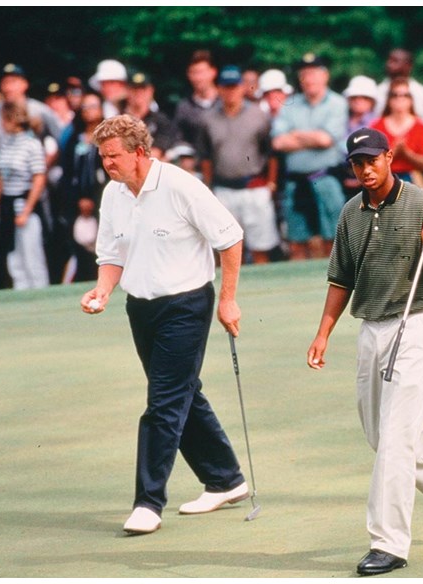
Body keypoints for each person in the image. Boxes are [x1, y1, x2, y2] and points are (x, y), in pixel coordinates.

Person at [307, 127, 423, 576]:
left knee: (396, 439)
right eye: (357, 163)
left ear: (389, 157)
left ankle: (389, 543)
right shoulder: (350, 214)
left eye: (372, 160)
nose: (365, 170)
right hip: (371, 331)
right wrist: (322, 333)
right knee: (380, 435)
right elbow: (341, 279)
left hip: (415, 326)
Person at [79, 114, 249, 535]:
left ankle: (148, 502)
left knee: (164, 402)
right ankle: (226, 479)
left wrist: (227, 300)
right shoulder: (114, 193)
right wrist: (101, 291)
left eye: (114, 156)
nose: (108, 164)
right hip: (141, 307)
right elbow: (111, 254)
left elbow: (230, 237)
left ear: (140, 152)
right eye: (103, 156)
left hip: (186, 305)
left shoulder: (180, 185)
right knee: (183, 393)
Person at [199, 65, 278, 264]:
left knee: (261, 247)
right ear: (219, 88)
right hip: (224, 188)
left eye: (234, 86)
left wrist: (271, 183)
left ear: (242, 87)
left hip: (254, 186)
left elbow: (271, 152)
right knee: (225, 249)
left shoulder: (258, 115)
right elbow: (206, 156)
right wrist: (209, 188)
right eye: (226, 87)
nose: (230, 91)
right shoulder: (208, 119)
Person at [272, 53, 347, 260]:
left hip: (326, 178)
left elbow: (326, 140)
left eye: (314, 73)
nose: (309, 78)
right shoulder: (290, 103)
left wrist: (295, 134)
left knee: (332, 238)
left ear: (325, 75)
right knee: (297, 241)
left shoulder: (337, 103)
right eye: (304, 74)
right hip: (296, 182)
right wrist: (313, 137)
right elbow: (278, 142)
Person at [0, 102, 50, 290]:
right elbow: (1, 178)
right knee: (15, 259)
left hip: (24, 205)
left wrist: (27, 210)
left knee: (32, 255)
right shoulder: (7, 143)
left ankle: (40, 293)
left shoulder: (32, 143)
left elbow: (38, 179)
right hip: (8, 207)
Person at [58, 91, 109, 282]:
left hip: (101, 196)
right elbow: (69, 172)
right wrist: (79, 197)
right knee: (81, 244)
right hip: (76, 199)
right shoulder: (74, 138)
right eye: (85, 107)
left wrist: (92, 196)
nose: (89, 111)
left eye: (94, 106)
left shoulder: (107, 137)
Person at [371, 77, 423, 185]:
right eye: (395, 95)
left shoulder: (422, 127)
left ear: (411, 99)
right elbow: (372, 163)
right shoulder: (376, 127)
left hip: (413, 179)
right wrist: (394, 151)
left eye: (405, 95)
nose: (400, 98)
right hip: (384, 179)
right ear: (389, 99)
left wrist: (406, 153)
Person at [374, 48, 423, 127]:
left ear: (408, 66)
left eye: (395, 61)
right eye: (389, 60)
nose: (389, 64)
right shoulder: (377, 92)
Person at [172, 50, 221, 149]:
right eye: (194, 73)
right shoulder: (184, 108)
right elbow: (178, 138)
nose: (198, 78)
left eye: (201, 72)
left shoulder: (225, 103)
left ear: (213, 72)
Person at [124, 71, 177, 160]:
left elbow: (156, 153)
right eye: (135, 89)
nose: (138, 93)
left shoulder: (161, 121)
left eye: (143, 89)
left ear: (151, 91)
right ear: (128, 91)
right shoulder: (118, 121)